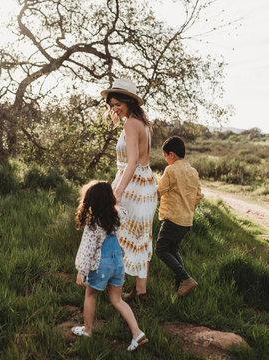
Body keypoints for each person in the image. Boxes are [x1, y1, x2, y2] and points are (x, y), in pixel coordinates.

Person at [72, 180, 148, 351]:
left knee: (91, 296)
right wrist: (116, 201)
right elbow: (123, 210)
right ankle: (137, 332)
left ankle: (87, 330)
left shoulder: (93, 225)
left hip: (102, 266)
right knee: (117, 300)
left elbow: (87, 249)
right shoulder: (117, 216)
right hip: (118, 264)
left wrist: (81, 272)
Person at [101, 78, 157, 301]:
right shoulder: (142, 123)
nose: (114, 109)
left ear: (129, 102)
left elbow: (133, 161)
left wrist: (119, 191)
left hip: (133, 184)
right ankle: (141, 291)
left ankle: (110, 284)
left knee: (116, 232)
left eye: (118, 104)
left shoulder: (131, 124)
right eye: (112, 105)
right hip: (145, 183)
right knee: (141, 234)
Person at [155, 136, 204, 296]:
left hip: (173, 219)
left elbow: (159, 191)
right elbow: (198, 196)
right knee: (173, 250)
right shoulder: (193, 171)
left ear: (172, 155)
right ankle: (180, 285)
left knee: (161, 250)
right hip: (187, 220)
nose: (166, 160)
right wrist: (187, 206)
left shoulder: (172, 169)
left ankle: (186, 278)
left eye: (165, 156)